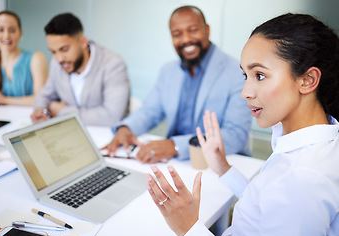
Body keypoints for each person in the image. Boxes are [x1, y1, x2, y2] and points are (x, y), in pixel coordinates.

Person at [146, 13, 339, 236]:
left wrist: (188, 228)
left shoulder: (302, 179)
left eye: (259, 75)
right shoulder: (314, 145)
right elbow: (269, 205)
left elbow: (286, 196)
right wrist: (222, 168)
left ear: (307, 80)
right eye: (245, 75)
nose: (245, 92)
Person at [104, 6, 251, 163]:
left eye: (193, 30)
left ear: (207, 30)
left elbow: (235, 135)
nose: (186, 39)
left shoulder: (238, 72)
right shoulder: (168, 71)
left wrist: (175, 145)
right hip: (173, 161)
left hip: (219, 162)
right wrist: (126, 128)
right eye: (177, 34)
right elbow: (149, 111)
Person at [30, 13, 129, 126]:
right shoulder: (57, 63)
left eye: (64, 49)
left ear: (83, 42)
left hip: (106, 136)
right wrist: (42, 111)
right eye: (53, 51)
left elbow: (112, 116)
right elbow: (44, 96)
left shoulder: (113, 64)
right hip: (70, 132)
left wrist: (62, 112)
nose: (59, 58)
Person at [0, 10, 48, 124]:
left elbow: (40, 99)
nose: (6, 35)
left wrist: (4, 100)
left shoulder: (36, 58)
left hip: (32, 121)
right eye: (1, 30)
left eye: (12, 30)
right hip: (3, 123)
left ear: (20, 33)